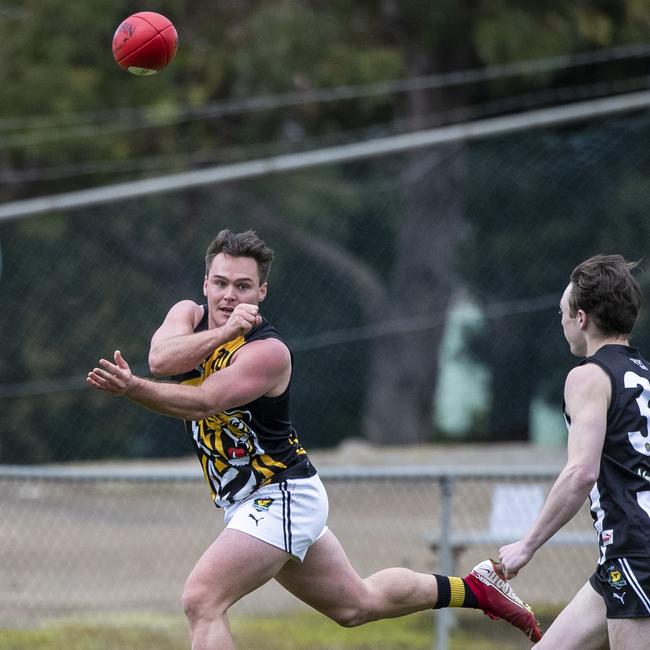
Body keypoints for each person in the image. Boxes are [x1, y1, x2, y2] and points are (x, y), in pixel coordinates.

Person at [87, 229, 542, 649]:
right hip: (250, 502)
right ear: (204, 283)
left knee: (202, 600)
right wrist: (218, 331)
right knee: (356, 605)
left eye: (242, 286)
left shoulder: (268, 352)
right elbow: (160, 359)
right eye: (220, 283)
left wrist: (140, 383)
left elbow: (204, 401)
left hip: (281, 494)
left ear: (261, 293)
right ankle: (476, 588)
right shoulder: (186, 314)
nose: (229, 295)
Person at [499, 254, 650, 649]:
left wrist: (526, 545)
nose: (562, 321)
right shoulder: (644, 376)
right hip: (622, 559)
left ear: (581, 318)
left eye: (563, 312)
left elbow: (582, 472)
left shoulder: (588, 377)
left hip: (635, 550)